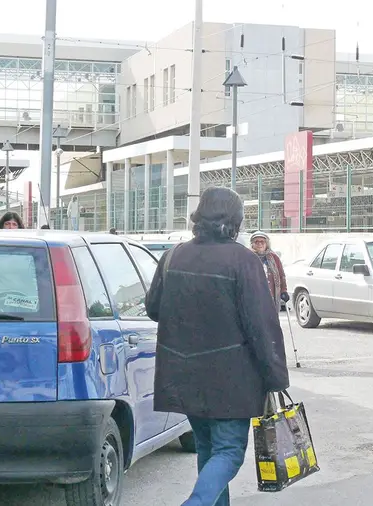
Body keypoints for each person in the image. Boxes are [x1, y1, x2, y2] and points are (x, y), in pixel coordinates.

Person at [145, 187, 289, 506]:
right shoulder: (243, 260)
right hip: (230, 378)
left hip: (183, 373)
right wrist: (276, 376)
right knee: (229, 452)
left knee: (209, 449)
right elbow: (262, 325)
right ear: (235, 220)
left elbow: (154, 308)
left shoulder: (173, 256)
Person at [250, 230, 289, 308]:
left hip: (271, 297)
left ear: (267, 244)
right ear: (252, 244)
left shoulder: (274, 258)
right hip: (254, 298)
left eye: (262, 242)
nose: (259, 244)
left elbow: (281, 275)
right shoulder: (248, 257)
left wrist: (283, 290)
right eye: (256, 242)